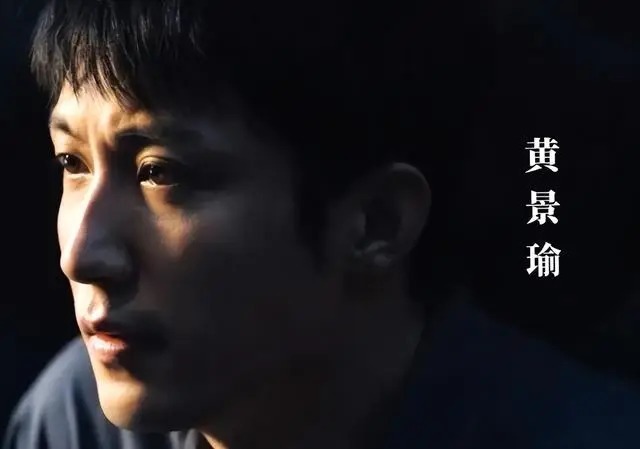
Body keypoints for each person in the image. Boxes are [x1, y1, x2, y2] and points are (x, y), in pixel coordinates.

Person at [5, 1, 456, 448]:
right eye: (73, 162)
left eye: (160, 172)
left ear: (375, 223)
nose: (79, 256)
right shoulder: (74, 422)